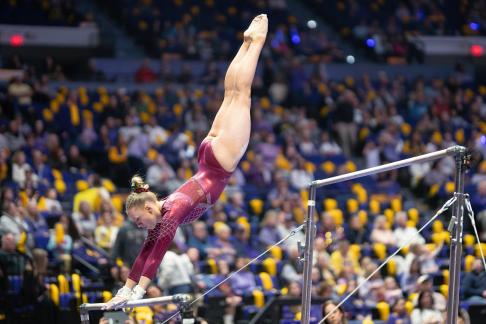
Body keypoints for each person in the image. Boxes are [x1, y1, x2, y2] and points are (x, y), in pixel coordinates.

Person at [103, 14, 268, 310]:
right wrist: (123, 291)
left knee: (240, 94)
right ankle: (246, 44)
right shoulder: (164, 211)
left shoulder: (171, 212)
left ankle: (254, 43)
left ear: (149, 208)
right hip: (210, 155)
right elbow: (144, 252)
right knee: (233, 94)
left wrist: (137, 293)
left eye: (139, 220)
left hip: (217, 160)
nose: (141, 227)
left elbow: (155, 256)